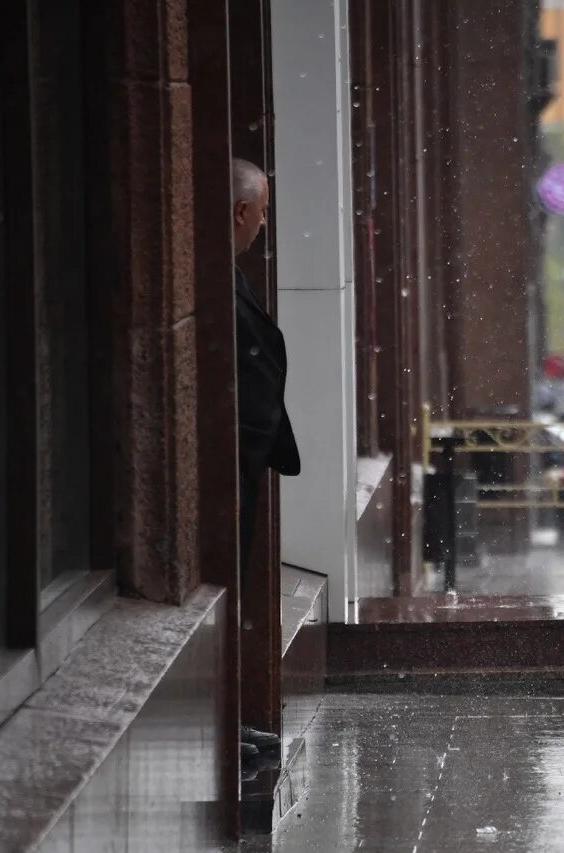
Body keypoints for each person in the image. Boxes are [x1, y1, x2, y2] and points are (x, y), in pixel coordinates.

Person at [232, 158, 301, 758]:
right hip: (232, 468)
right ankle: (222, 727)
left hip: (243, 467)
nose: (263, 225)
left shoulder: (234, 275)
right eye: (263, 212)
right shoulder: (217, 279)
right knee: (225, 586)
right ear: (241, 210)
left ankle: (228, 721)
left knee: (235, 586)